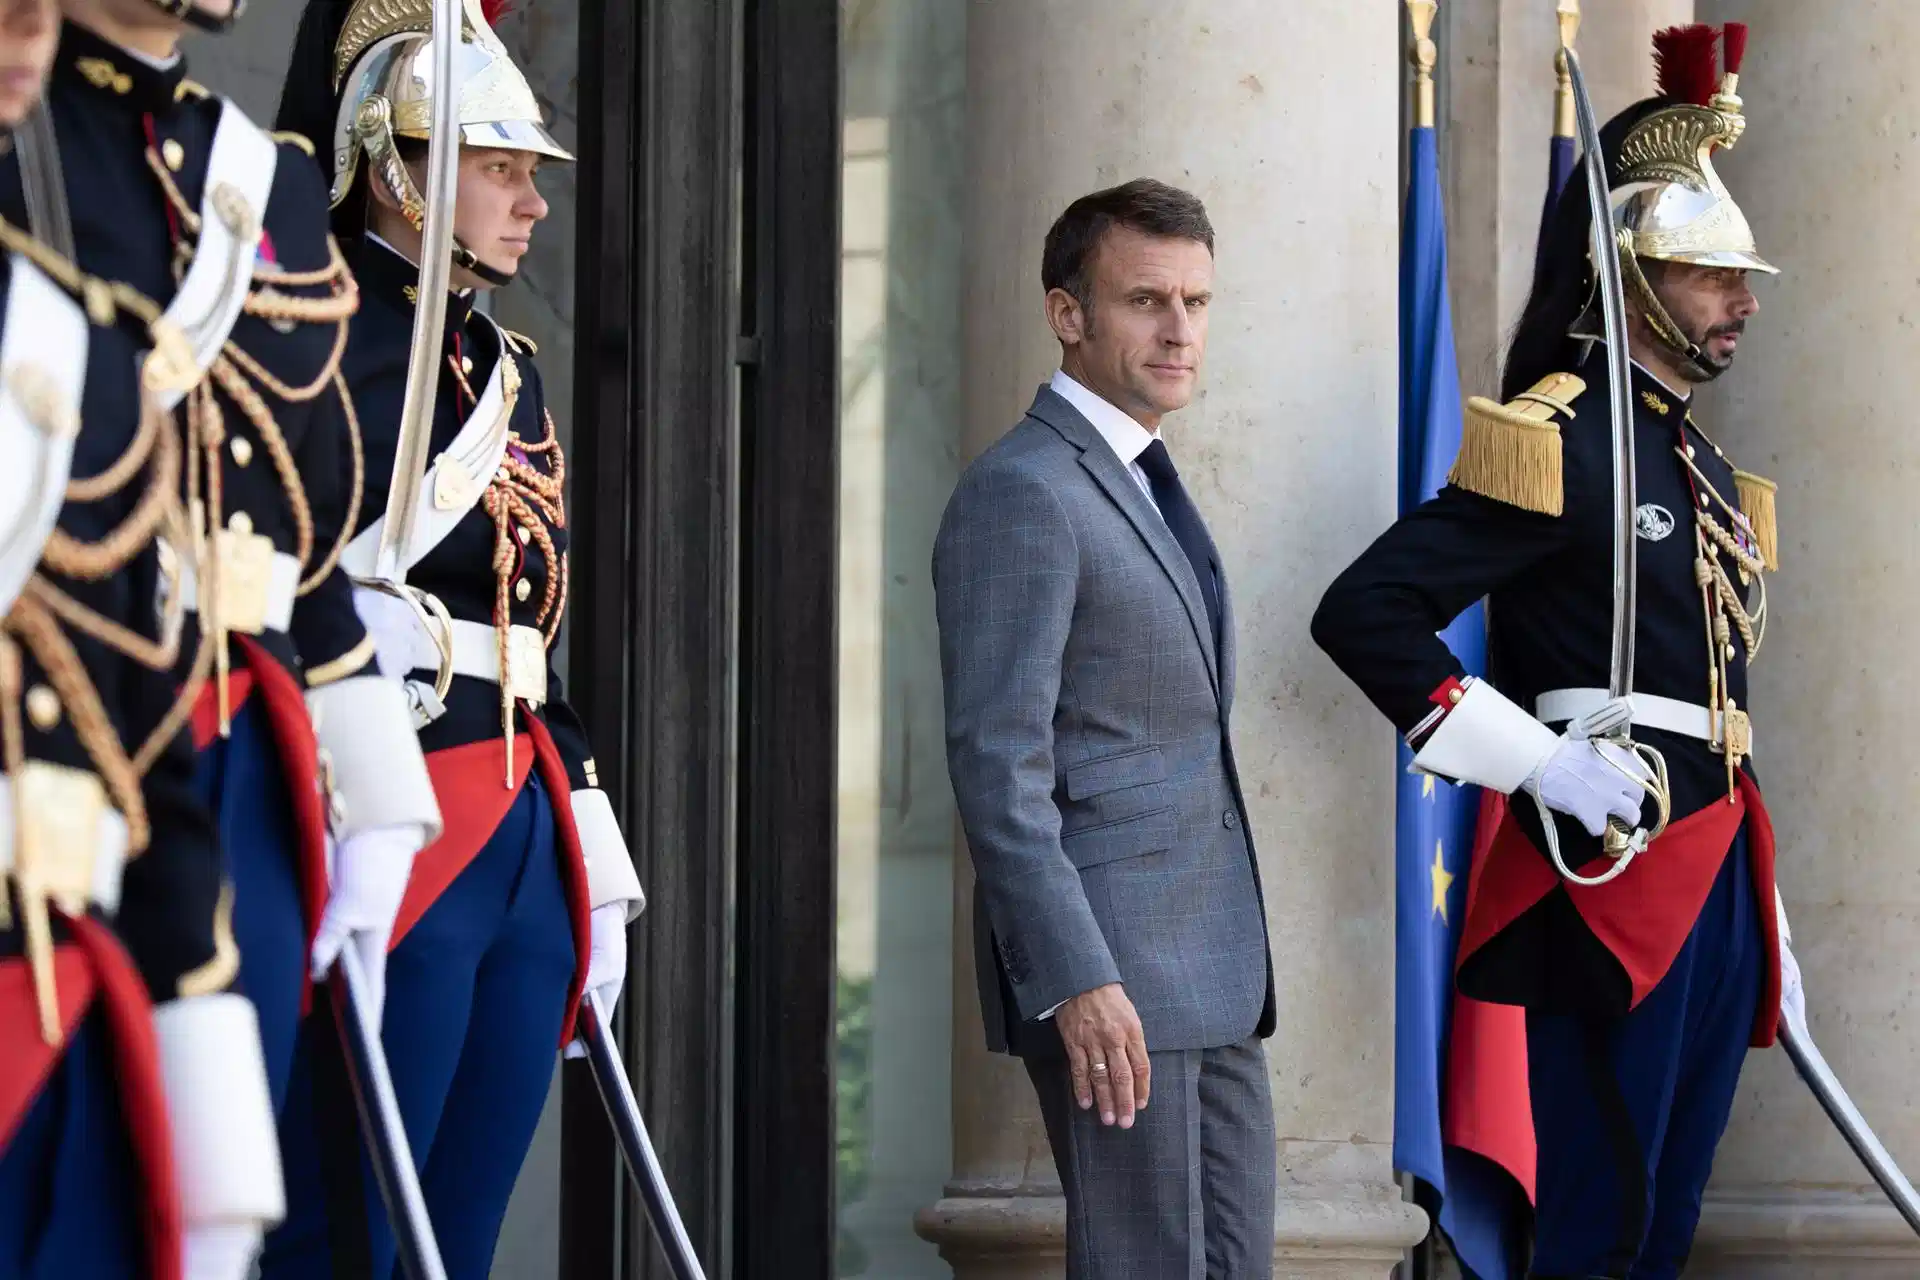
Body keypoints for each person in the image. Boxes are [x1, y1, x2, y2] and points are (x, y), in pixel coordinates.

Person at [1311, 24, 1802, 1279]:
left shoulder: (1695, 465)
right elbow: (1367, 612)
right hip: (1610, 859)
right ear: (1629, 274)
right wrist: (1534, 762)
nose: (1743, 300)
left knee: (1668, 1217)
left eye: (1743, 276)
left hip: (1714, 857)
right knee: (1604, 1218)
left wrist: (1764, 907)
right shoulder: (1563, 440)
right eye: (1710, 274)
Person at [5, 0, 446, 1151]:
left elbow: (305, 516)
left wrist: (374, 780)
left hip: (242, 736)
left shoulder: (264, 182)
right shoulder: (26, 137)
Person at [264, 1, 642, 1274]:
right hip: (395, 799)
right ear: (395, 166)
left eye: (532, 173)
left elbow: (530, 602)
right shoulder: (305, 334)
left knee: (460, 1224)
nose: (531, 203)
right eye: (498, 168)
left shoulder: (510, 365)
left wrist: (581, 806)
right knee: (353, 1223)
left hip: (522, 810)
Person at [933, 178, 1276, 1277]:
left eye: (1197, 301)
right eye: (1146, 300)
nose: (1179, 328)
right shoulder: (1024, 490)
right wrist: (1076, 974)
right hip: (1117, 968)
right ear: (1068, 314)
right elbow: (999, 764)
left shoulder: (1138, 472)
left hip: (1212, 964)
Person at [0, 3, 282, 1276]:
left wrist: (187, 994)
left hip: (59, 976)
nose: (21, 37)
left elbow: (142, 717)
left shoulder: (85, 363)